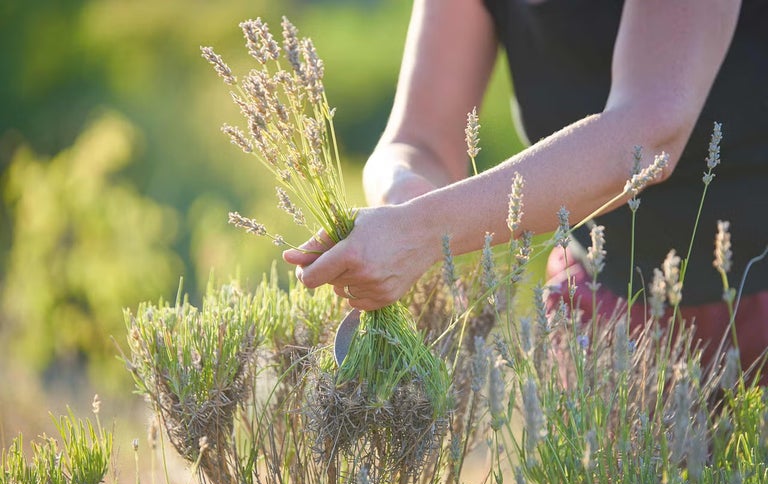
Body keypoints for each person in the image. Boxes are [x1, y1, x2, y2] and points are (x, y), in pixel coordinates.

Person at [284, 0, 768, 381]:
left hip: (756, 299)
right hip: (605, 303)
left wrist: (424, 230)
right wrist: (403, 205)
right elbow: (420, 140)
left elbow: (648, 135)